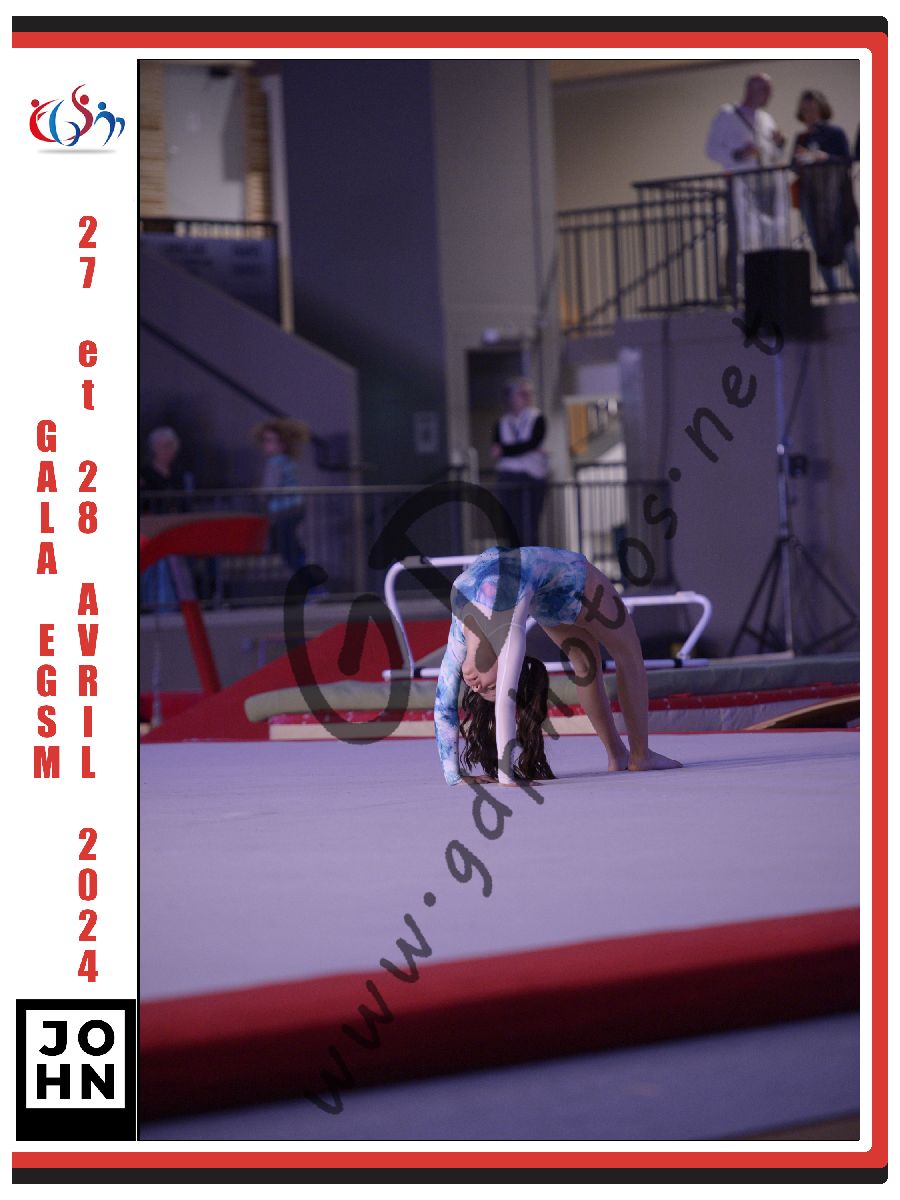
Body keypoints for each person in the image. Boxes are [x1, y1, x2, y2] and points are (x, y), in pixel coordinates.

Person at [434, 545, 682, 786]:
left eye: (490, 688)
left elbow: (470, 702)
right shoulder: (506, 634)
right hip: (557, 587)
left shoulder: (472, 632)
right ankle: (633, 755)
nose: (476, 688)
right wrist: (470, 776)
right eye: (490, 689)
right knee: (606, 660)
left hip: (565, 578)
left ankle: (633, 753)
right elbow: (487, 702)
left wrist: (487, 776)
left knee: (613, 658)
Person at [706, 73, 789, 292]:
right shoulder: (727, 115)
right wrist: (739, 154)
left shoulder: (766, 119)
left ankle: (765, 284)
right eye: (765, 90)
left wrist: (779, 144)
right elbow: (712, 149)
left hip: (766, 185)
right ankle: (735, 287)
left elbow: (772, 154)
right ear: (751, 90)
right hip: (740, 186)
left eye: (770, 91)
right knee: (739, 236)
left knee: (765, 235)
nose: (769, 95)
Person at [790, 90, 860, 293]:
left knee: (847, 245)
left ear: (821, 109)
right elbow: (793, 166)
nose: (809, 114)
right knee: (819, 246)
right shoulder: (802, 137)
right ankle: (833, 293)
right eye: (805, 110)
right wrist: (801, 160)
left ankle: (860, 293)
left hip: (837, 197)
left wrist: (824, 158)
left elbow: (847, 160)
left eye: (812, 109)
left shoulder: (835, 133)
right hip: (811, 199)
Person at [490, 377, 549, 546]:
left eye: (529, 394)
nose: (527, 397)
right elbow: (497, 449)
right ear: (511, 397)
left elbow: (532, 443)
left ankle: (531, 558)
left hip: (533, 475)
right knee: (511, 522)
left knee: (530, 524)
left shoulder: (537, 418)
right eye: (522, 394)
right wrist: (523, 449)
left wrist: (506, 450)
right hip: (508, 475)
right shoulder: (502, 422)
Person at [253, 417, 310, 570]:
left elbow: (270, 488)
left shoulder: (275, 462)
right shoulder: (287, 460)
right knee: (290, 542)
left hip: (285, 509)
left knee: (286, 547)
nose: (266, 445)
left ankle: (304, 574)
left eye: (270, 441)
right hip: (295, 507)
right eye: (265, 441)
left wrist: (259, 495)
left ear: (282, 444)